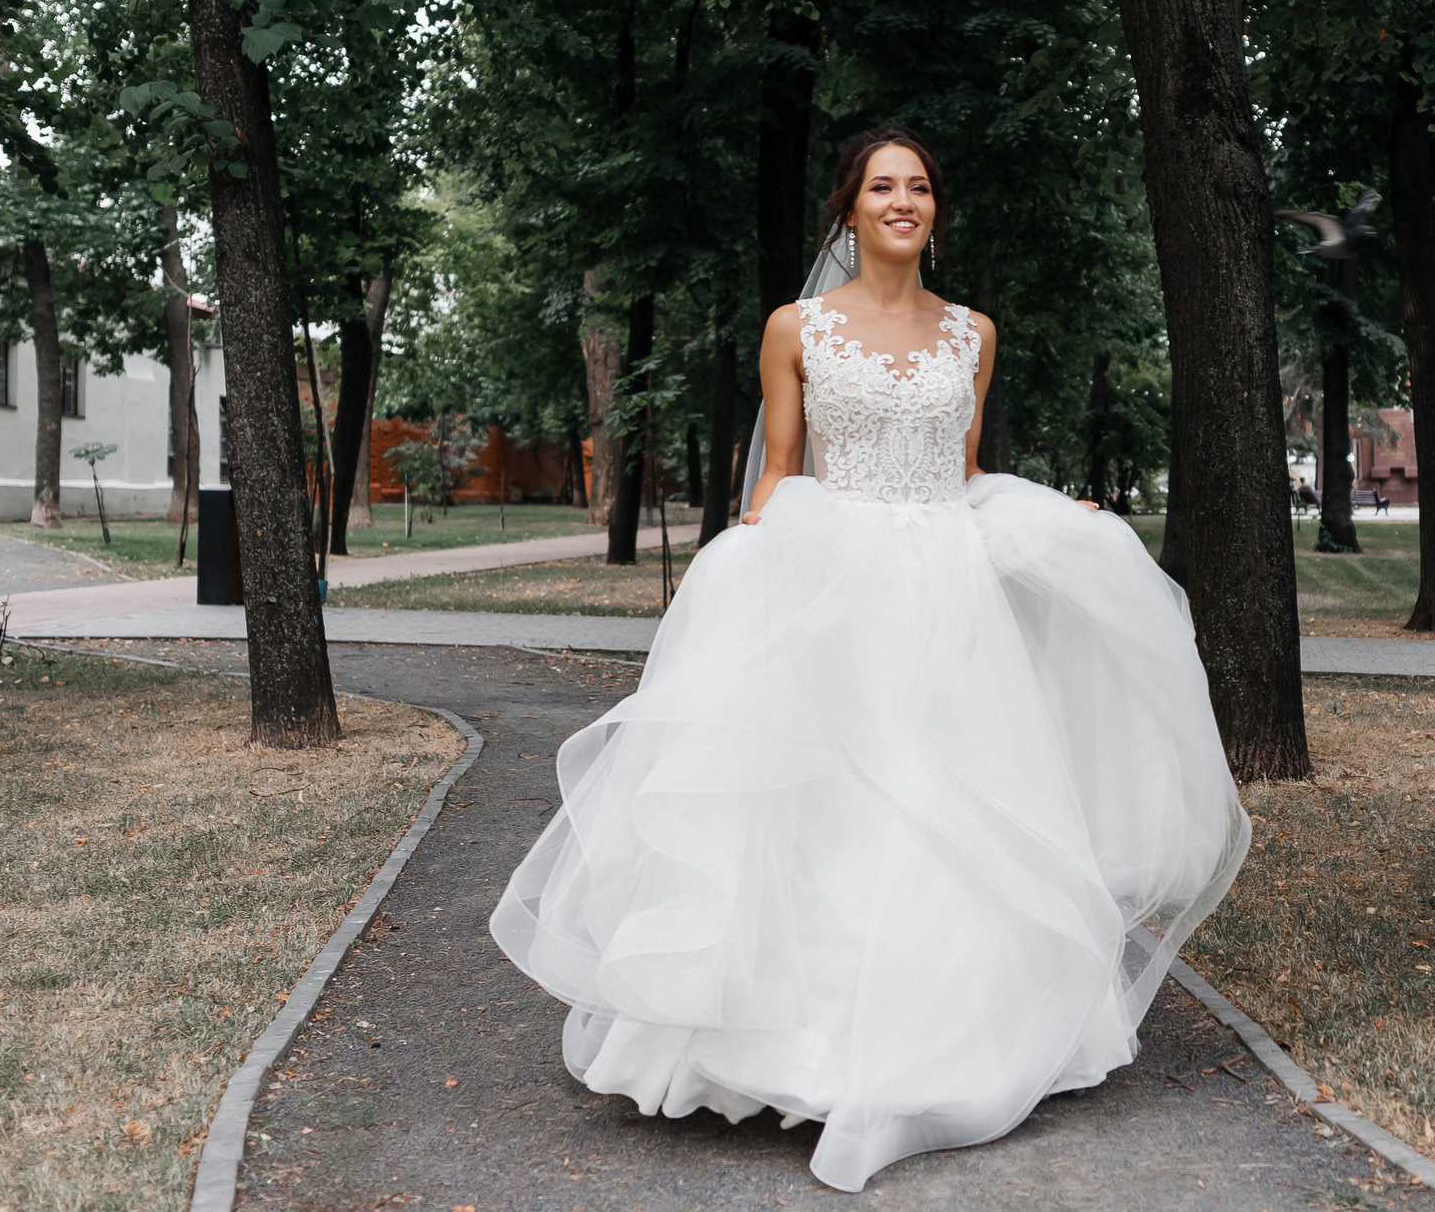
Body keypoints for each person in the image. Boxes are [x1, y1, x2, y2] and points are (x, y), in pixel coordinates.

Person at [489, 127, 1248, 1193]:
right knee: (835, 809)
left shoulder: (973, 333)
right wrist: (752, 567)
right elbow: (782, 471)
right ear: (847, 211)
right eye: (882, 186)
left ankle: (943, 1048)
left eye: (921, 186)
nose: (904, 200)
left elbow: (966, 465)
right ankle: (786, 1051)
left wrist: (1049, 516)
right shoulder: (795, 328)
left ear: (936, 211)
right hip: (836, 582)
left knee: (944, 801)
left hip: (948, 590)